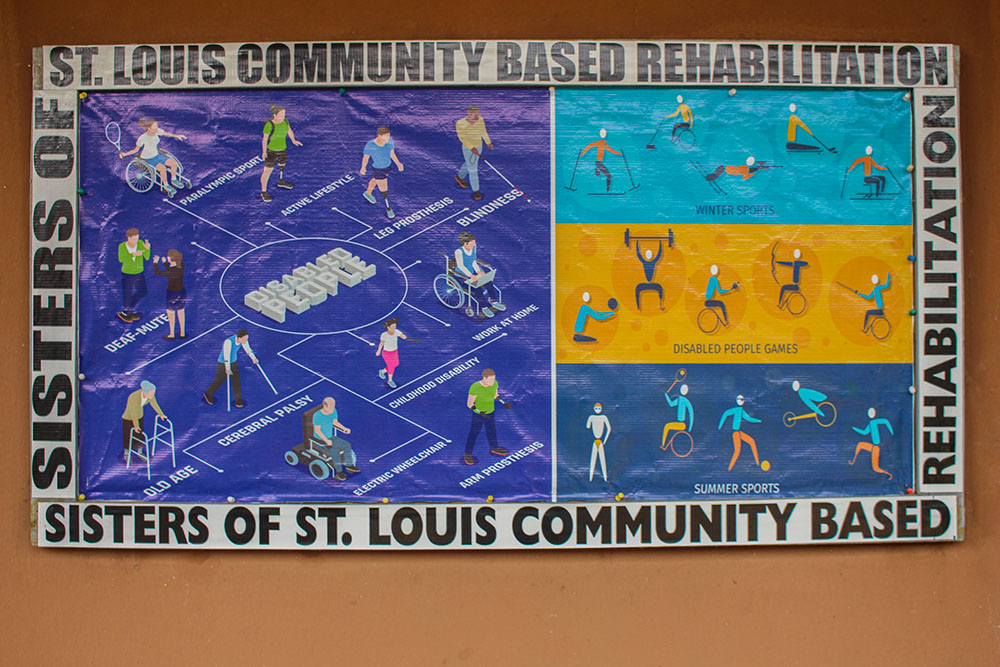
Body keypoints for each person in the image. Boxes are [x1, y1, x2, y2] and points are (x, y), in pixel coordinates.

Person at [118, 118, 187, 196]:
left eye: (157, 126)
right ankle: (166, 185)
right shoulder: (142, 138)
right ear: (149, 128)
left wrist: (177, 136)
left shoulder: (157, 131)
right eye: (155, 127)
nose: (157, 128)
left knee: (174, 163)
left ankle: (174, 180)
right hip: (148, 158)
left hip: (157, 155)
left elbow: (166, 133)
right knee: (162, 168)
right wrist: (124, 154)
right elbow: (135, 150)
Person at [454, 231, 506, 318]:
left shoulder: (473, 247)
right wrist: (471, 275)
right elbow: (461, 266)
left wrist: (478, 271)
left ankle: (493, 301)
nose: (473, 245)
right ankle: (484, 307)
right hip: (461, 276)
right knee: (477, 289)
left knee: (489, 283)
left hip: (473, 273)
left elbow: (473, 262)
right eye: (471, 244)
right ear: (465, 244)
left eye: (474, 243)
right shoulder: (459, 252)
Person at [203, 329, 258, 408]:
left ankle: (238, 400)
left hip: (234, 362)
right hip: (223, 363)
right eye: (245, 338)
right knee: (219, 380)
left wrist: (253, 358)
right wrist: (227, 368)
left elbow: (248, 349)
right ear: (239, 337)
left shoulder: (243, 341)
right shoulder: (228, 342)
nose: (246, 340)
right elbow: (226, 356)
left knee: (236, 381)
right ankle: (208, 394)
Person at [464, 368, 509, 465]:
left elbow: (495, 395)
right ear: (484, 378)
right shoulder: (475, 387)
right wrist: (480, 412)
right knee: (474, 433)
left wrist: (503, 402)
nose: (493, 382)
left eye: (494, 379)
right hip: (478, 414)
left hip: (490, 412)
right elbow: (469, 404)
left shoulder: (494, 383)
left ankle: (494, 448)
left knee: (491, 430)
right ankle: (468, 454)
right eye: (490, 380)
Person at [259, 104, 303, 203]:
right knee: (267, 171)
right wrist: (264, 152)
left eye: (284, 114)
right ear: (275, 115)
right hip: (272, 151)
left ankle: (281, 181)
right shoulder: (269, 124)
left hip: (283, 149)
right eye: (281, 115)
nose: (283, 117)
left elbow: (289, 130)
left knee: (281, 166)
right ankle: (264, 192)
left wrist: (293, 140)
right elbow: (265, 139)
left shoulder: (285, 122)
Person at [361, 126, 404, 218]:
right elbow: (366, 157)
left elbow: (391, 153)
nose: (387, 139)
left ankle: (368, 193)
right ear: (379, 136)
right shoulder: (370, 145)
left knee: (376, 180)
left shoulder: (390, 141)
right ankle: (388, 208)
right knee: (384, 187)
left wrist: (398, 163)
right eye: (385, 137)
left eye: (388, 136)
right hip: (378, 169)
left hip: (388, 167)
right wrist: (363, 167)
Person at [312, 397, 359, 481]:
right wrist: (326, 441)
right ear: (324, 406)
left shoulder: (333, 411)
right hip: (320, 440)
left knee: (347, 445)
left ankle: (349, 466)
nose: (332, 409)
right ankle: (339, 472)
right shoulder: (317, 416)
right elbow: (317, 431)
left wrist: (344, 428)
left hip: (331, 437)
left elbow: (335, 422)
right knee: (335, 451)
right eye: (330, 407)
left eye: (333, 406)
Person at [121, 380, 167, 462]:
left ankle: (140, 452)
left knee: (140, 436)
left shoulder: (150, 396)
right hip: (129, 418)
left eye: (154, 393)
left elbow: (154, 404)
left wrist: (161, 414)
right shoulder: (134, 397)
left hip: (139, 416)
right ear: (145, 392)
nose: (153, 395)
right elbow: (133, 412)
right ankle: (127, 454)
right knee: (128, 437)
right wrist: (136, 426)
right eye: (151, 393)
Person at [454, 104, 494, 201]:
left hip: (479, 146)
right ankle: (476, 191)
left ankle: (460, 177)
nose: (476, 117)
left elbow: (483, 132)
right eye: (474, 115)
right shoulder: (460, 123)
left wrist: (488, 142)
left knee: (469, 163)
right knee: (473, 169)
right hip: (468, 148)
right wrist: (471, 147)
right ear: (469, 114)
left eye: (478, 114)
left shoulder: (480, 120)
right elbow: (462, 137)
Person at [718, 395, 762, 471]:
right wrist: (720, 425)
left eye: (742, 399)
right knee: (737, 451)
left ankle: (757, 463)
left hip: (739, 432)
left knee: (752, 442)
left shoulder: (741, 411)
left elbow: (748, 418)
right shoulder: (736, 410)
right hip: (736, 433)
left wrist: (758, 421)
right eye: (739, 399)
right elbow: (726, 413)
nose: (741, 401)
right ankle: (729, 469)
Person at [850, 408, 894, 479]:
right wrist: (855, 429)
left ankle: (889, 474)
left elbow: (885, 421)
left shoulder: (877, 421)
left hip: (877, 447)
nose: (870, 414)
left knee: (876, 468)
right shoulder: (871, 423)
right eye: (869, 413)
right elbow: (864, 432)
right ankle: (853, 460)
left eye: (871, 413)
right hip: (873, 446)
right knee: (860, 444)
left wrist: (891, 431)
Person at [117, 228, 150, 323]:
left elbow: (147, 257)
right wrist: (133, 255)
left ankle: (127, 310)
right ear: (128, 238)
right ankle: (126, 312)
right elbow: (121, 259)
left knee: (142, 291)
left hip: (139, 271)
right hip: (127, 273)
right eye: (134, 239)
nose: (136, 241)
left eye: (137, 238)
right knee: (127, 293)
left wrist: (147, 249)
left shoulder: (140, 244)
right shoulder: (122, 246)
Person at [152, 249, 186, 340]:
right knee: (181, 312)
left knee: (171, 313)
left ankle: (172, 334)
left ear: (171, 258)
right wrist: (165, 264)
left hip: (172, 293)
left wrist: (155, 263)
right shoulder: (181, 266)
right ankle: (182, 332)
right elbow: (172, 269)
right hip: (182, 292)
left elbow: (157, 272)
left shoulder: (169, 271)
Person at [375, 317, 408, 388]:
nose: (394, 328)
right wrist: (378, 351)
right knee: (391, 366)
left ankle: (382, 371)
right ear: (388, 327)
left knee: (396, 364)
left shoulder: (396, 332)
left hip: (394, 351)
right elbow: (381, 343)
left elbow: (402, 336)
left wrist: (404, 337)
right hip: (386, 353)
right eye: (392, 327)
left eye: (395, 327)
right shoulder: (384, 335)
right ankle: (390, 380)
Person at [635, 241, 665, 311]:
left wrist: (637, 244)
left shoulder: (646, 262)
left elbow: (639, 256)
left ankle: (639, 307)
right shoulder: (650, 262)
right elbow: (658, 256)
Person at [586, 403, 612, 482]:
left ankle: (605, 478)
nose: (597, 410)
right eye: (596, 408)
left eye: (599, 408)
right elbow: (588, 426)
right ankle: (590, 478)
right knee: (592, 461)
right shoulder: (592, 417)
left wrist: (605, 440)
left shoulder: (603, 417)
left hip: (600, 442)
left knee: (603, 461)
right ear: (594, 409)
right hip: (595, 442)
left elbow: (609, 429)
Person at [662, 384, 694, 449]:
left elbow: (691, 413)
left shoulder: (685, 401)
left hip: (683, 424)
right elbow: (671, 404)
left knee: (667, 426)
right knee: (668, 427)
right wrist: (666, 395)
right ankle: (663, 445)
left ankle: (663, 445)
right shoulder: (679, 399)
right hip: (679, 423)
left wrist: (690, 428)